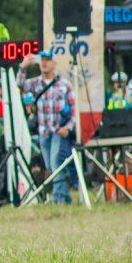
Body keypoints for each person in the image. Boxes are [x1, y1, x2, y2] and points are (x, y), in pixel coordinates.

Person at [29, 50, 78, 204]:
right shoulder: (35, 83)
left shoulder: (64, 85)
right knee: (51, 166)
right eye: (42, 60)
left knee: (57, 162)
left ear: (54, 63)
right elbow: (18, 85)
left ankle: (59, 199)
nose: (44, 63)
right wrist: (23, 68)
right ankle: (65, 197)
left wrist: (68, 127)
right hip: (44, 131)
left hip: (58, 130)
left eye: (48, 60)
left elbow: (74, 110)